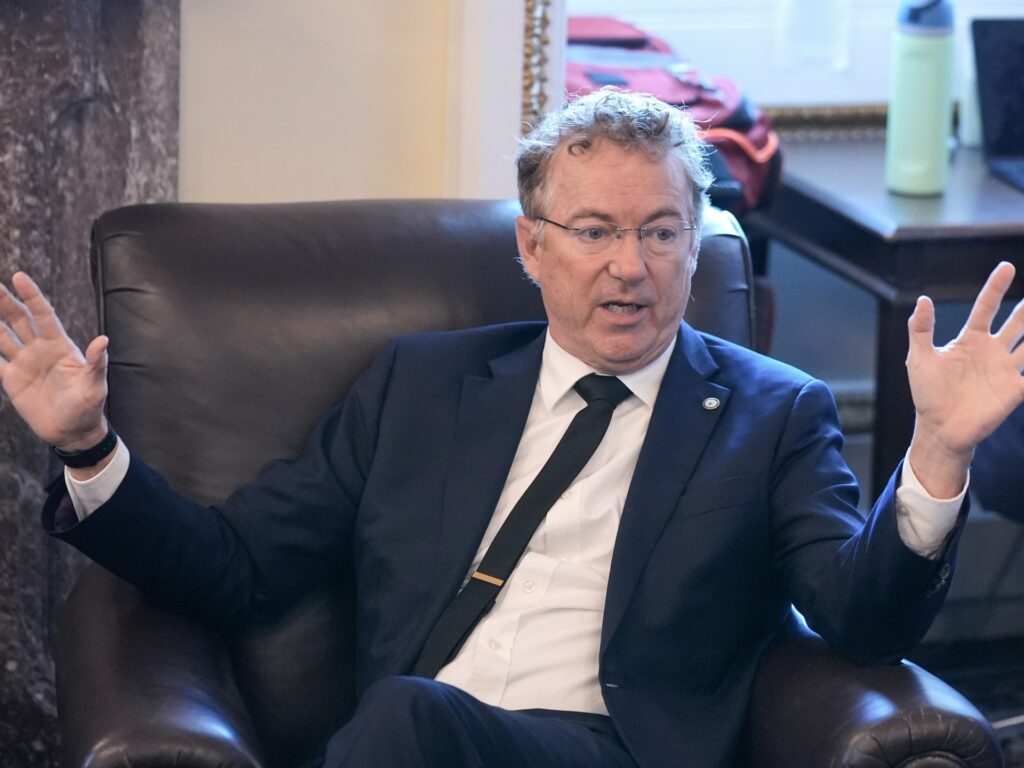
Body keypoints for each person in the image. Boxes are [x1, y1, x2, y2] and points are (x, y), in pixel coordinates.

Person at [2, 90, 1023, 768]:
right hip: (411, 746)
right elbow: (238, 568)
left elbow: (858, 619)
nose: (631, 266)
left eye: (661, 232)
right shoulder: (418, 385)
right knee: (410, 717)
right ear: (532, 248)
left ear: (693, 244)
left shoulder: (775, 411)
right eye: (595, 231)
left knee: (408, 714)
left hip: (610, 749)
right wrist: (90, 447)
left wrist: (939, 451)